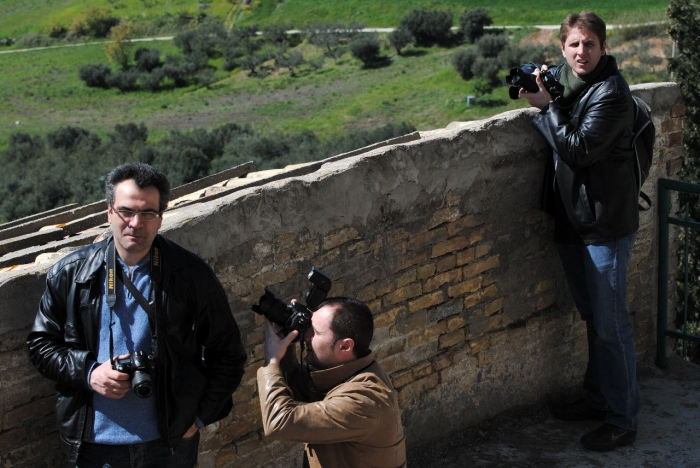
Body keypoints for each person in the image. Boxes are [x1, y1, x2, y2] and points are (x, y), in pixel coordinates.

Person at [27, 163, 247, 467]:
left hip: (168, 443)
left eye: (147, 214)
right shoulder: (71, 274)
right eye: (125, 211)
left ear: (160, 218)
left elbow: (229, 353)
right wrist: (90, 373)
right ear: (108, 212)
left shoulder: (190, 275)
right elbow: (41, 346)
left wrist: (197, 418)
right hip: (94, 446)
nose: (135, 223)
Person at [518, 11, 639, 452]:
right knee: (593, 318)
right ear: (563, 49)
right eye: (573, 45)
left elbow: (579, 149)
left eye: (589, 44)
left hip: (604, 224)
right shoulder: (572, 84)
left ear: (603, 47)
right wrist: (548, 91)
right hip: (574, 220)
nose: (581, 52)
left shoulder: (612, 92)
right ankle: (597, 399)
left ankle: (623, 419)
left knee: (611, 325)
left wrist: (547, 107)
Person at [257, 296, 407, 468]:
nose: (306, 335)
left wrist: (272, 361)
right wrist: (287, 339)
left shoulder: (364, 400)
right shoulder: (349, 371)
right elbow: (296, 382)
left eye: (315, 332)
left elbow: (280, 423)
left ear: (344, 346)